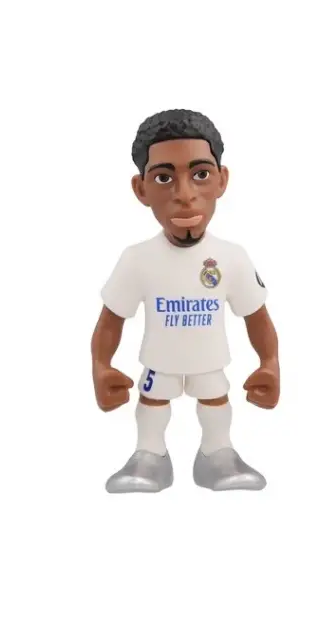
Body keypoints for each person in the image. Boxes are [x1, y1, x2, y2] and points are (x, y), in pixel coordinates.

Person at [91, 109, 280, 492]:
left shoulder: (231, 258)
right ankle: (150, 455)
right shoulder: (138, 259)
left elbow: (255, 314)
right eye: (164, 178)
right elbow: (112, 318)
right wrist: (101, 364)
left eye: (201, 175)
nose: (184, 194)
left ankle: (217, 454)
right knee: (152, 403)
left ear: (221, 180)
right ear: (141, 189)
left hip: (208, 359)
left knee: (215, 402)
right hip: (159, 359)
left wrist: (270, 361)